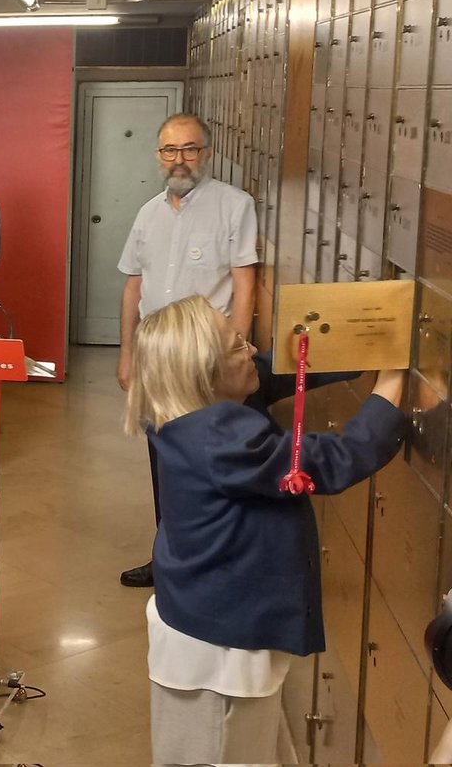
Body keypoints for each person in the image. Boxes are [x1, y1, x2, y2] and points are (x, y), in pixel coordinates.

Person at [125, 295, 404, 765]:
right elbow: (334, 462)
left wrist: (364, 339)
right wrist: (395, 379)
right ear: (203, 370)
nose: (252, 348)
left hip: (208, 623)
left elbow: (275, 368)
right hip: (218, 655)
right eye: (238, 347)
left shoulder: (184, 409)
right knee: (219, 754)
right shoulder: (219, 438)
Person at [115, 113, 258, 588]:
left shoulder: (234, 206)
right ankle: (169, 557)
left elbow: (243, 283)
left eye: (189, 149)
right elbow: (133, 288)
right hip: (158, 358)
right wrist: (127, 354)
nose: (179, 160)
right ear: (159, 156)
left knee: (214, 459)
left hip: (207, 356)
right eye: (170, 151)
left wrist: (234, 350)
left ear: (208, 152)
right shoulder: (148, 213)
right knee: (166, 463)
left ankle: (219, 560)